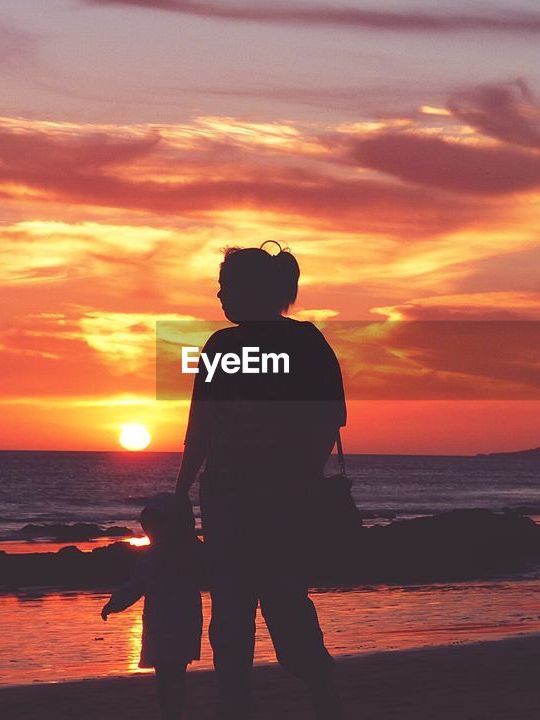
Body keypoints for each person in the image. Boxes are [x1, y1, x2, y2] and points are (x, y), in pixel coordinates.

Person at [175, 243, 345, 720]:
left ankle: (277, 696)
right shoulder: (302, 344)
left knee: (246, 606)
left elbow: (200, 432)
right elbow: (329, 422)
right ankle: (307, 693)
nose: (219, 294)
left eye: (226, 286)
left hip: (243, 497)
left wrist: (181, 490)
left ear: (252, 291)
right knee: (273, 600)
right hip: (257, 497)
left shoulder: (227, 347)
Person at [101, 492, 204, 720]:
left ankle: (173, 712)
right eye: (149, 527)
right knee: (164, 676)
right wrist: (114, 603)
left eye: (158, 526)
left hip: (182, 624)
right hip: (157, 626)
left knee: (175, 674)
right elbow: (134, 586)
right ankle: (169, 712)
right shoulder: (148, 559)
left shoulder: (189, 553)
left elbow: (210, 569)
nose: (153, 532)